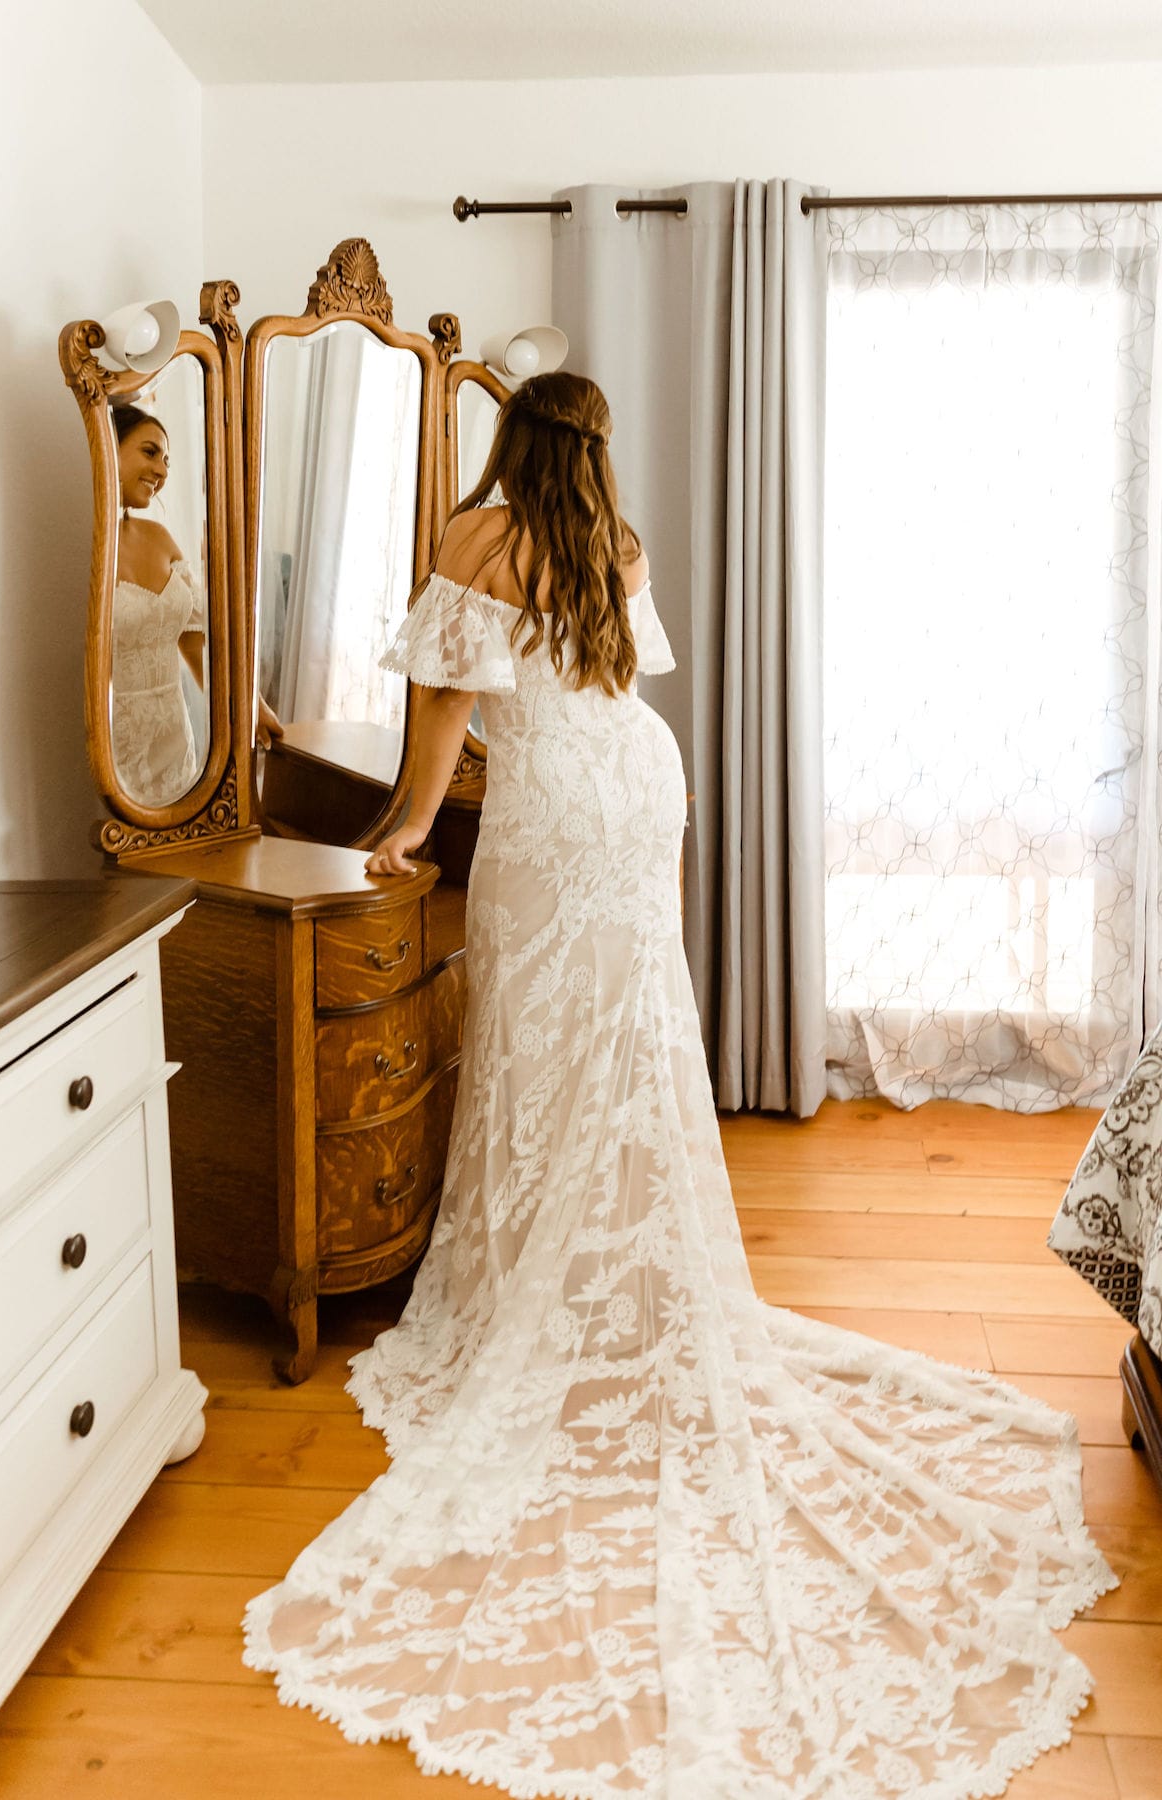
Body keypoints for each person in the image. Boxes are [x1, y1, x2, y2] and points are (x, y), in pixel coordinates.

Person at [243, 372, 1115, 1799]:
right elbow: (595, 687)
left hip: (550, 811)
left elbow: (448, 733)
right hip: (642, 790)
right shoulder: (617, 538)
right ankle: (626, 1266)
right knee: (631, 1032)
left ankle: (546, 1272)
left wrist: (403, 835)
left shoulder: (470, 540)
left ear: (507, 442)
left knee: (537, 1036)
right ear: (590, 448)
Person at [112, 403, 281, 808]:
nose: (163, 472)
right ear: (107, 446)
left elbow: (195, 644)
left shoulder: (159, 537)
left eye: (167, 460)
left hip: (174, 736)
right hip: (114, 743)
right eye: (150, 452)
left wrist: (250, 705)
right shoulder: (82, 543)